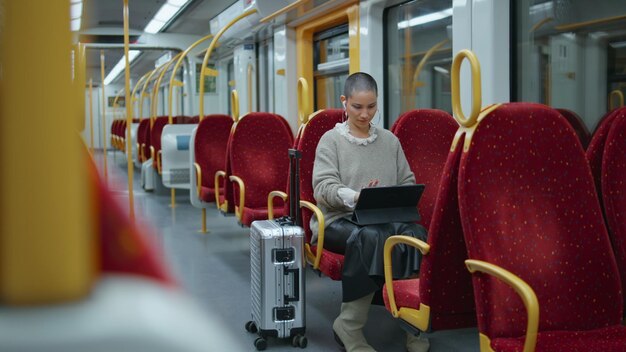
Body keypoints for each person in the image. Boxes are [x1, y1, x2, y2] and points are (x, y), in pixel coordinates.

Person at [311, 72, 429, 352]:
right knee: (372, 237)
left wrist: (382, 196)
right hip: (338, 220)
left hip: (383, 219)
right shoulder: (331, 141)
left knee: (414, 234)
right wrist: (357, 196)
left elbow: (407, 182)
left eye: (372, 107)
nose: (365, 115)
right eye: (358, 107)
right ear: (344, 102)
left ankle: (412, 322)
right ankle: (349, 325)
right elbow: (324, 188)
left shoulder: (389, 141)